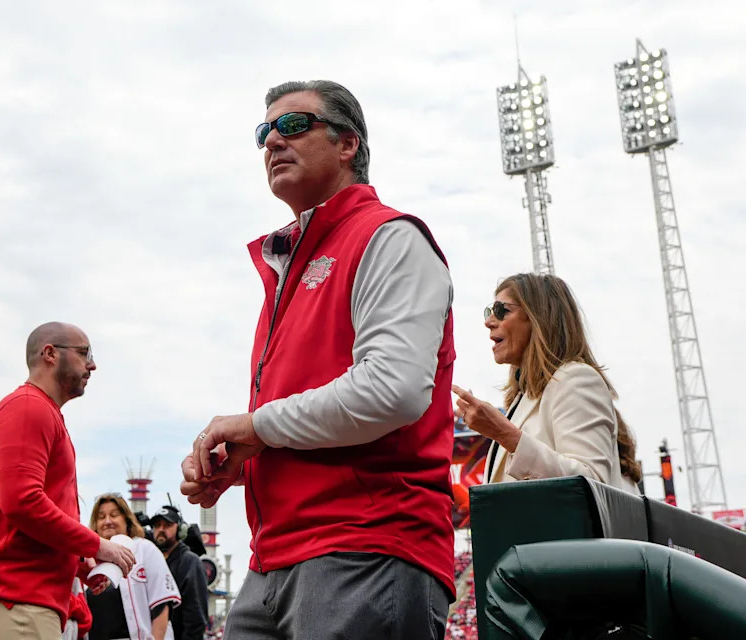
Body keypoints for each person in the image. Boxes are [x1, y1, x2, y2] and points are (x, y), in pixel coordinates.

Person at [180, 80, 456, 638]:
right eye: (264, 132)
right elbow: (305, 418)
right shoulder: (288, 270)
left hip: (366, 546)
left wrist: (257, 427)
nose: (273, 142)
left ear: (348, 143)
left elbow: (392, 391)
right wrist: (248, 457)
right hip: (273, 558)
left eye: (294, 125)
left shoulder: (389, 237)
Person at [0, 322, 136, 640]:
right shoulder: (29, 407)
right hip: (13, 597)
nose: (92, 364)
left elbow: (27, 513)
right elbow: (23, 503)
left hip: (20, 599)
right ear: (49, 353)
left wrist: (79, 562)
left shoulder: (38, 410)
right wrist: (97, 546)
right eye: (84, 353)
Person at [451, 273, 641, 494]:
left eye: (501, 310)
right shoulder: (523, 398)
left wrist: (504, 434)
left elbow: (592, 485)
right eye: (489, 312)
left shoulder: (576, 379)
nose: (489, 322)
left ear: (538, 318)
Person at [86, 494, 181, 640]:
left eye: (114, 515)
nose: (107, 521)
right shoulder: (87, 558)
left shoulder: (144, 549)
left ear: (127, 520)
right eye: (101, 517)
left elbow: (161, 606)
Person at [150, 505, 208, 640]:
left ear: (180, 530)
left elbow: (196, 619)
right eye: (157, 525)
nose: (161, 530)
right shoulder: (152, 560)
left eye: (167, 525)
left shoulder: (190, 562)